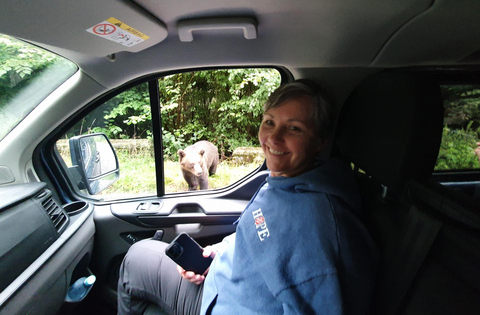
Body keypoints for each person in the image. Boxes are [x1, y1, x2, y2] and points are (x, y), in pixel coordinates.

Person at [117, 79, 379, 315]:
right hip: (221, 283)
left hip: (226, 304)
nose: (273, 138)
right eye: (270, 122)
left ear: (320, 140)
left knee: (134, 261)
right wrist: (219, 253)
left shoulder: (317, 226)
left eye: (294, 128)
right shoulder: (288, 181)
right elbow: (261, 233)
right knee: (139, 254)